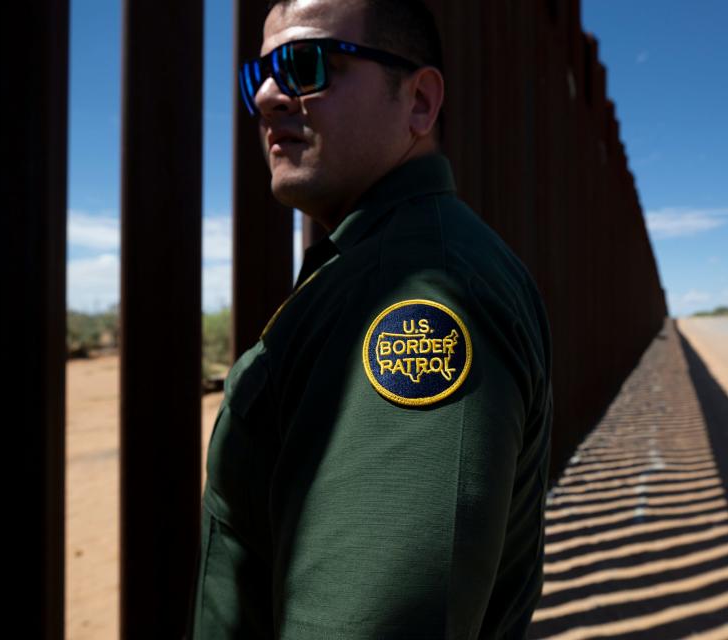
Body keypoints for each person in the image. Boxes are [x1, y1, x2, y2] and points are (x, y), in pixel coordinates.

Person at [185, 0, 553, 637]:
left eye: (305, 64)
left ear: (418, 101)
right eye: (258, 76)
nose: (269, 97)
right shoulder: (370, 264)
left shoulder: (423, 295)